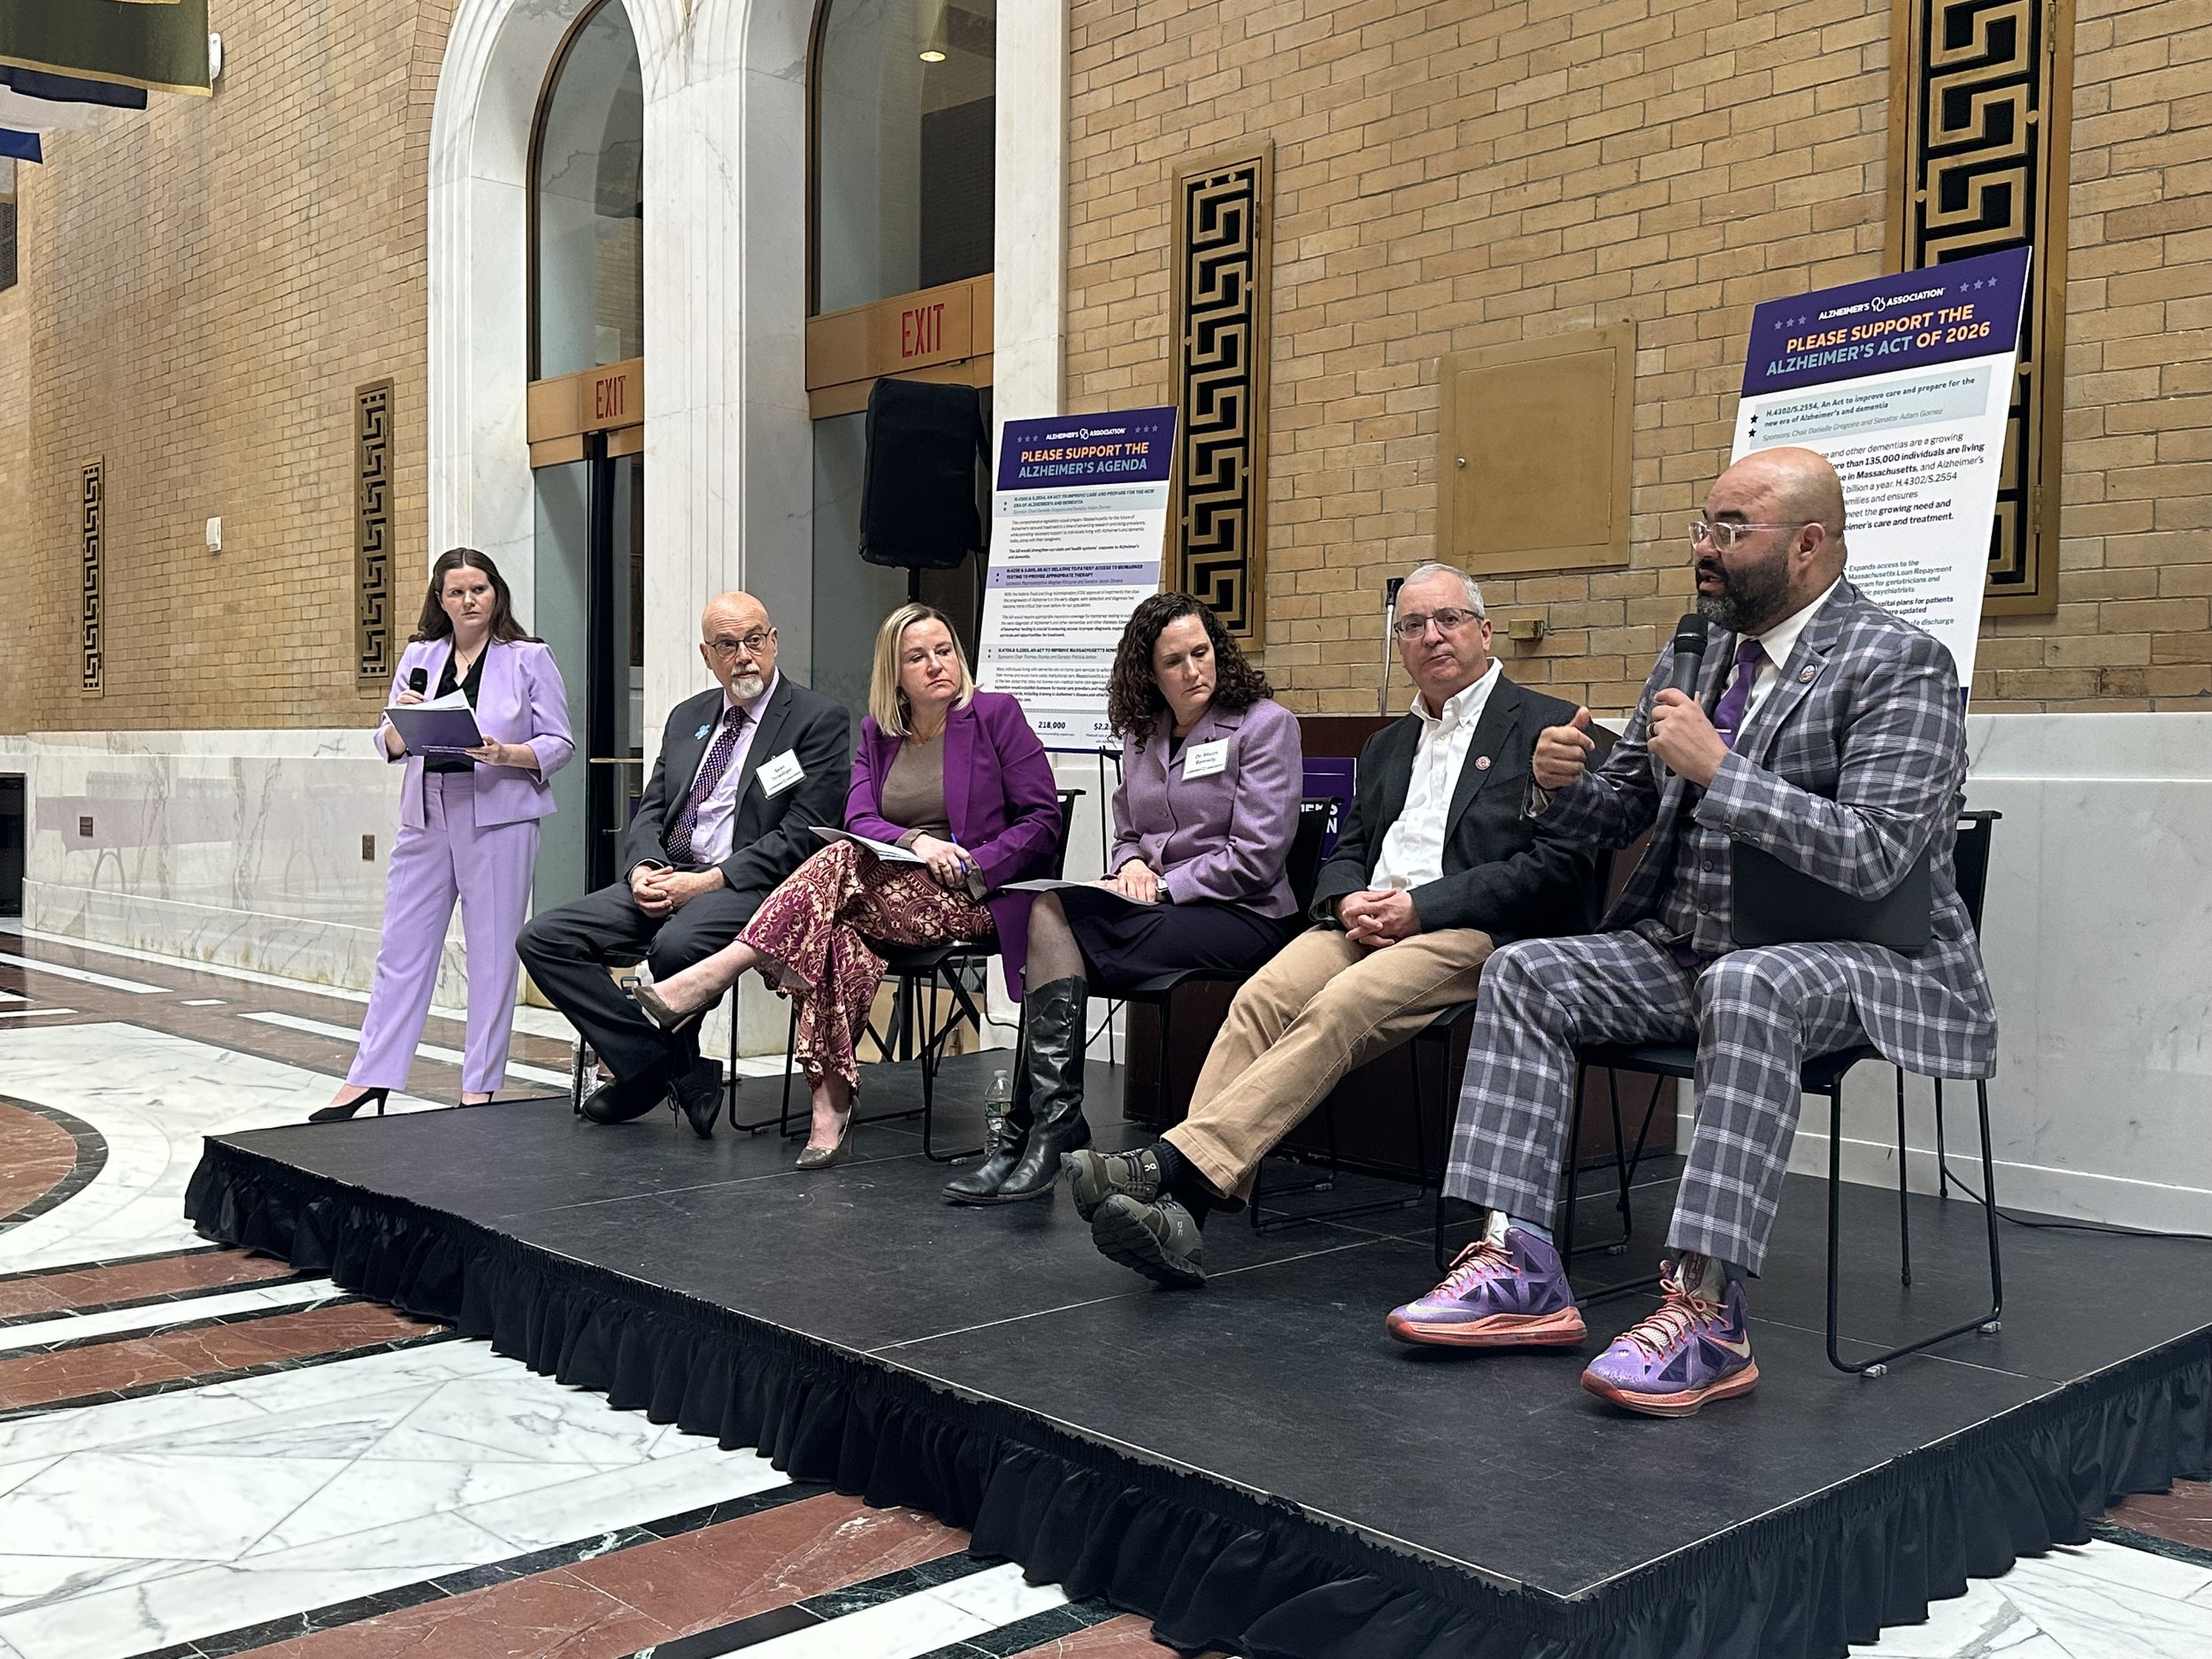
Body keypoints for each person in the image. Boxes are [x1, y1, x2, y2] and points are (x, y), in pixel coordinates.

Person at [1386, 447, 1996, 1418]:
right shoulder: (1697, 650)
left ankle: (1707, 1313)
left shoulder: (1901, 663)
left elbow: (1879, 857)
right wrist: (1561, 786)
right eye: (1699, 527)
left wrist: (1723, 773)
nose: (1703, 551)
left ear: (1806, 545)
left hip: (1873, 963)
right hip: (1694, 947)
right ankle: (1520, 1266)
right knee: (1526, 972)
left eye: (1727, 531)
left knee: (1748, 985)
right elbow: (1619, 812)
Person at [1063, 563, 1596, 1286]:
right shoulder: (1386, 745)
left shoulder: (1544, 723)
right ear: (1399, 642)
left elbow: (1555, 870)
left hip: (1469, 931)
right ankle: (1181, 1221)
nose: (1430, 636)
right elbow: (1346, 849)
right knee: (1260, 999)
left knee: (1336, 1006)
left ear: (1484, 629)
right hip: (1366, 918)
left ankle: (1174, 1175)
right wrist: (1346, 902)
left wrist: (1422, 908)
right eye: (1412, 625)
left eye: (1447, 619)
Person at [632, 604, 1061, 1166]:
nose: (936, 665)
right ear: (895, 672)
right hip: (882, 892)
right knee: (838, 927)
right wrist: (915, 843)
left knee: (834, 878)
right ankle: (828, 1107)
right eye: (917, 657)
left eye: (945, 651)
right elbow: (858, 819)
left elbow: (1042, 821)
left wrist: (969, 860)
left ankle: (713, 977)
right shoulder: (878, 733)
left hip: (973, 894)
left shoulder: (996, 716)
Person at [943, 593, 1304, 1206]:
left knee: (1056, 931)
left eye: (1202, 652)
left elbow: (1258, 855)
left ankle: (1041, 1131)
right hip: (1161, 910)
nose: (1193, 671)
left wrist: (1160, 882)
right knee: (1048, 911)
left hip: (1241, 913)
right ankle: (1042, 1129)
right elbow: (1129, 833)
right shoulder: (1144, 733)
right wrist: (1130, 862)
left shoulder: (1265, 725)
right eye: (1175, 661)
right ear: (1148, 672)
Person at [515, 592, 849, 1138]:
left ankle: (647, 1070)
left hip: (750, 884)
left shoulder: (816, 720)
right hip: (669, 875)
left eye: (754, 641)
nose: (744, 656)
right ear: (707, 655)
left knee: (675, 945)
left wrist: (707, 882)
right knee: (543, 939)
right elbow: (652, 808)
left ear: (774, 643)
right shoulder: (688, 717)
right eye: (727, 645)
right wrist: (643, 868)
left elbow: (802, 836)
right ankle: (663, 1065)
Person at [312, 549, 574, 1122]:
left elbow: (560, 740)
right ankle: (368, 1076)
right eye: (456, 592)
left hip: (499, 814)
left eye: (478, 588)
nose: (468, 600)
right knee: (401, 950)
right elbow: (384, 738)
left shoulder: (528, 658)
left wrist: (509, 752)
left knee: (490, 957)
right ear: (440, 599)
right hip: (425, 817)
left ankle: (478, 1085)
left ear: (496, 592)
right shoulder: (421, 656)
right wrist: (402, 725)